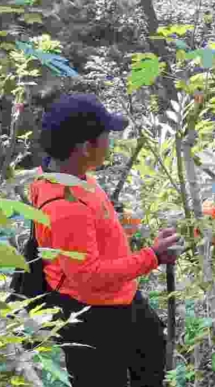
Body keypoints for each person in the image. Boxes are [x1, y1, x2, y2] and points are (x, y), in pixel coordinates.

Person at [31, 93, 181, 387]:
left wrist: (118, 229)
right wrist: (153, 256)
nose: (110, 142)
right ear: (86, 147)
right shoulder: (65, 203)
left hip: (121, 299)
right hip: (92, 317)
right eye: (106, 136)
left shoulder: (65, 173)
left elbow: (83, 236)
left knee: (153, 361)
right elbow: (88, 276)